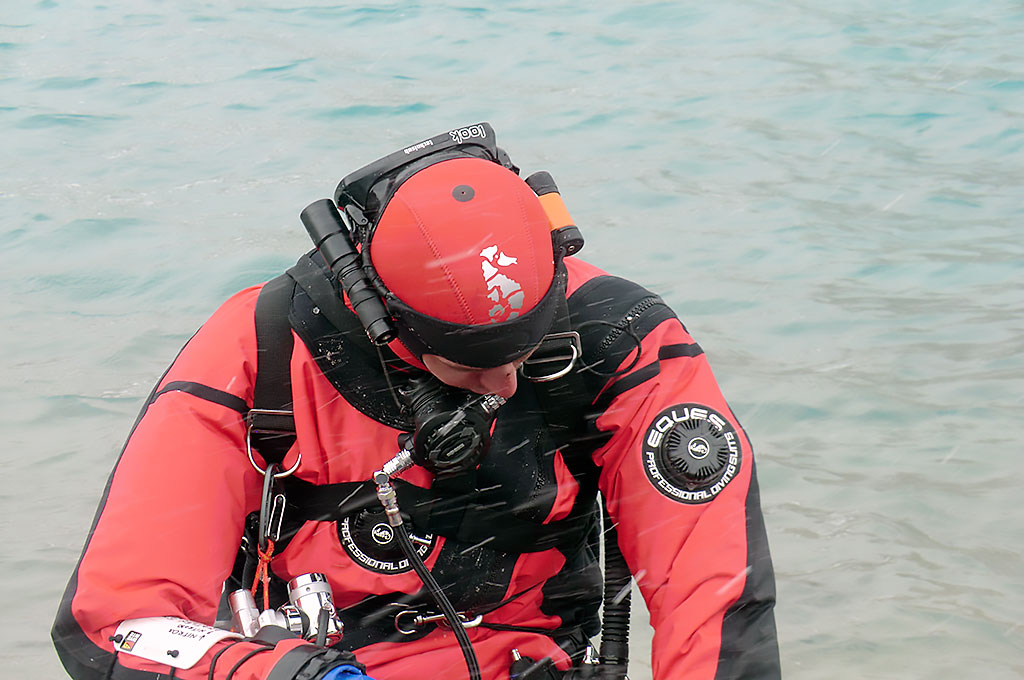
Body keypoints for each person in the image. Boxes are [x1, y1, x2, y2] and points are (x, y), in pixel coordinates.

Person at [52, 123, 781, 680]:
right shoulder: (259, 350)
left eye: (523, 355)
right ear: (388, 320)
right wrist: (283, 674)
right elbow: (113, 621)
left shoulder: (620, 338)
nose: (504, 386)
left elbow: (714, 594)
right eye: (471, 366)